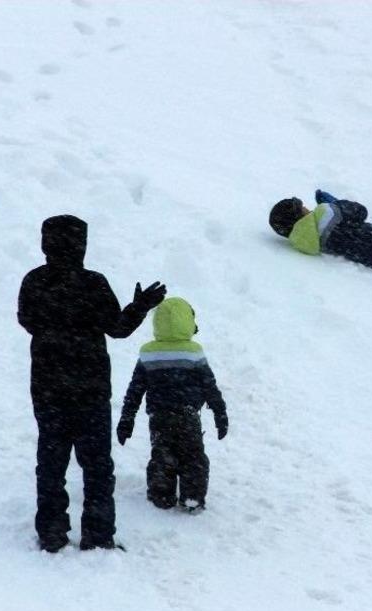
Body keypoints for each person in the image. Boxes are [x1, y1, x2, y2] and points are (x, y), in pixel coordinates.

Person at [18, 214, 166, 552]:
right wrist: (140, 307)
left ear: (45, 244)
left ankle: (52, 533)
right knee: (98, 467)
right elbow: (117, 328)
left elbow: (26, 320)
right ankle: (98, 536)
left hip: (48, 390)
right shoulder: (93, 284)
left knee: (51, 464)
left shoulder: (34, 282)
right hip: (91, 391)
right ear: (82, 246)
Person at [116, 297, 228, 513]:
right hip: (188, 415)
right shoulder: (193, 352)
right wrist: (220, 414)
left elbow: (135, 389)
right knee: (193, 456)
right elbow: (209, 386)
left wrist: (126, 419)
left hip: (159, 416)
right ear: (188, 322)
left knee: (162, 454)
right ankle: (192, 497)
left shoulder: (149, 353)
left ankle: (161, 495)